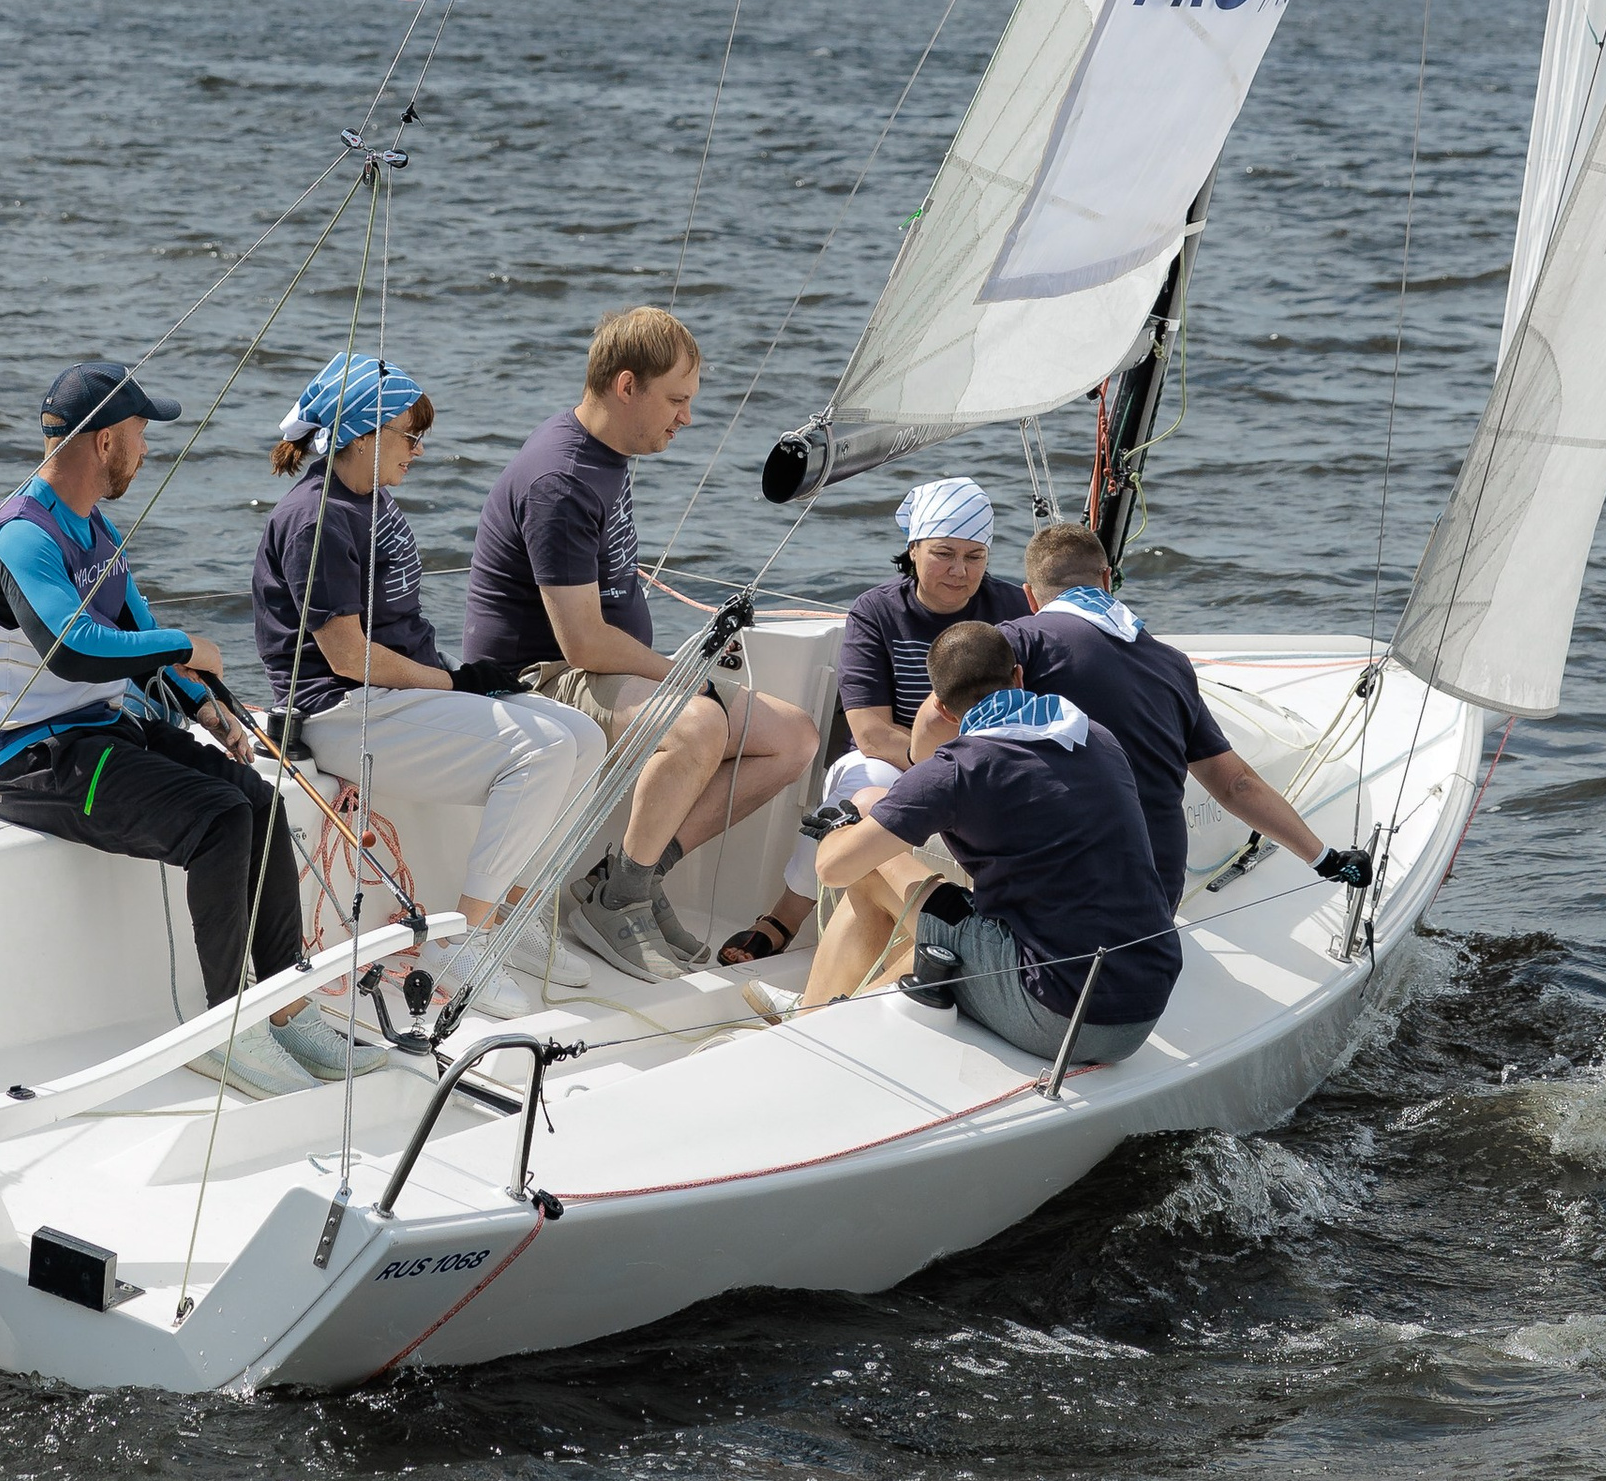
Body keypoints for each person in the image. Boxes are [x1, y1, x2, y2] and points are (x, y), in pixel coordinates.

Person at [0, 362, 349, 1097]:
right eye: (140, 433)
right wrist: (184, 647)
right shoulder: (20, 538)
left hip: (97, 731)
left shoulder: (94, 529)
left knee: (260, 801)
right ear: (105, 441)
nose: (146, 447)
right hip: (26, 760)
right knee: (219, 819)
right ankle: (225, 1028)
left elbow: (134, 635)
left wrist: (205, 706)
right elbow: (72, 648)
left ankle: (287, 1009)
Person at [458, 303, 817, 980]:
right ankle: (617, 901)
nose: (686, 418)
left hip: (601, 668)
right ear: (627, 386)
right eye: (676, 400)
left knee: (792, 739)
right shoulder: (562, 479)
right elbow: (584, 643)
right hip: (538, 674)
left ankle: (630, 880)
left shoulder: (607, 456)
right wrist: (683, 678)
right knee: (695, 724)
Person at [249, 352, 602, 957]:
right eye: (408, 435)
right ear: (362, 435)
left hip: (395, 697)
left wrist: (453, 681)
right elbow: (347, 657)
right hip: (343, 710)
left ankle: (511, 920)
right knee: (541, 749)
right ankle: (463, 944)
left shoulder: (370, 497)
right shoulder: (319, 519)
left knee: (586, 739)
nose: (417, 449)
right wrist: (454, 683)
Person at [811, 617, 1181, 1066]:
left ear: (944, 709)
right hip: (1144, 1002)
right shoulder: (1095, 737)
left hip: (1062, 1018)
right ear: (1020, 676)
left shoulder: (955, 771)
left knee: (875, 869)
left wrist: (840, 825)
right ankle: (852, 1004)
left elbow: (834, 871)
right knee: (958, 914)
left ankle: (810, 1023)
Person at [723, 473, 1028, 970]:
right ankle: (787, 915)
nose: (959, 570)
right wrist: (939, 766)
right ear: (913, 549)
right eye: (943, 553)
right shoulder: (877, 612)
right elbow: (869, 732)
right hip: (898, 757)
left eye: (974, 557)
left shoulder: (1015, 609)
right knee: (864, 781)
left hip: (989, 758)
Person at [1007, 520, 1368, 908]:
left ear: (1030, 595)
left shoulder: (1020, 640)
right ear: (1108, 578)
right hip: (1156, 896)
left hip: (1061, 887)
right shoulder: (1172, 664)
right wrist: (1326, 858)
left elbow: (944, 715)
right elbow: (1236, 785)